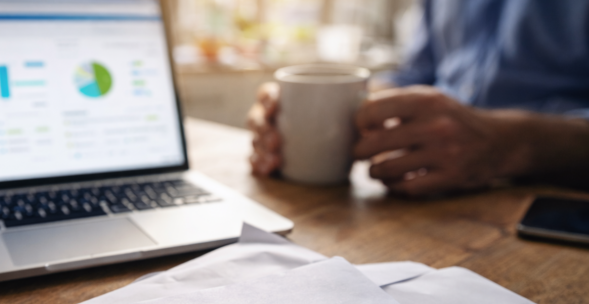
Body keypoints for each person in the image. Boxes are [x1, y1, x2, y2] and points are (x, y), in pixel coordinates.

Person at [248, 0, 589, 197]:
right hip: (426, 196)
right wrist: (308, 110)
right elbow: (414, 76)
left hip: (555, 201)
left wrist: (513, 143)